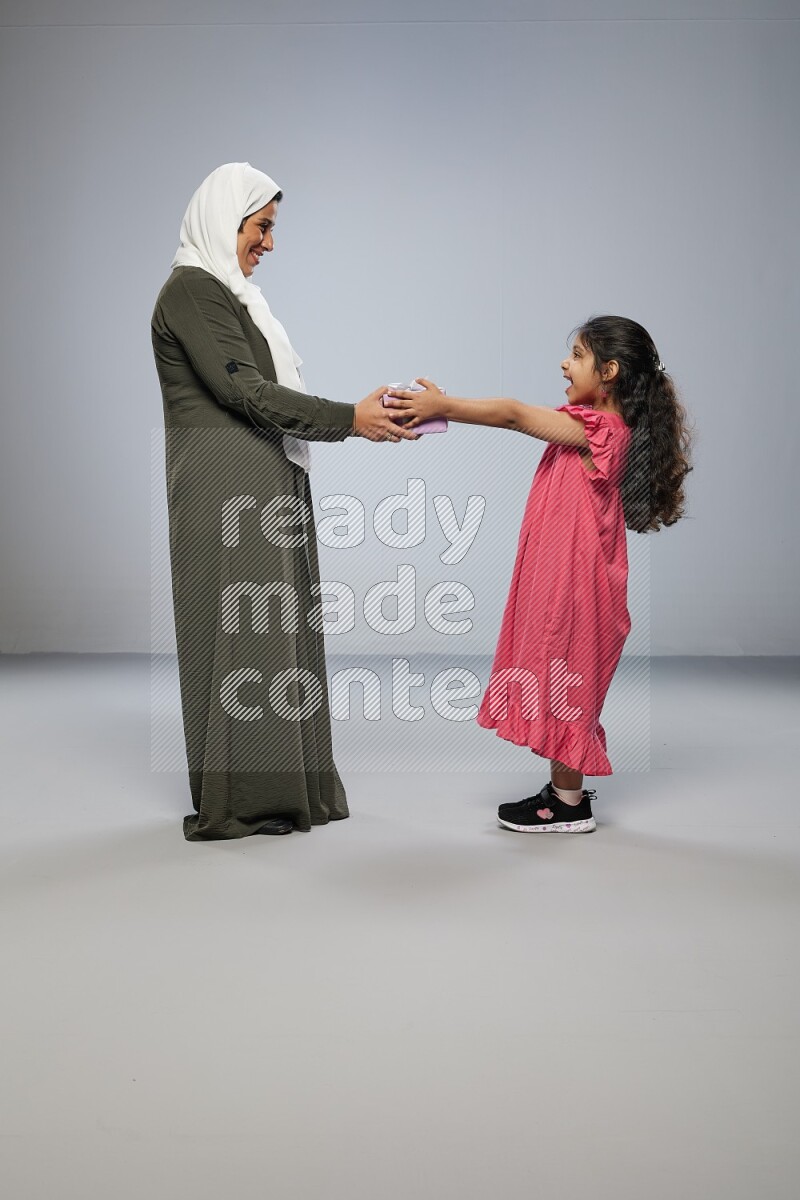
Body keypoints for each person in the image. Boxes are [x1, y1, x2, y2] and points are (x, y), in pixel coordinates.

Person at [151, 162, 415, 841]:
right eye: (261, 227)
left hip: (264, 477)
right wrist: (348, 419)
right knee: (235, 634)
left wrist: (351, 418)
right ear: (224, 220)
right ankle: (244, 800)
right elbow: (248, 393)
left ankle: (287, 792)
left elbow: (259, 394)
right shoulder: (193, 291)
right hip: (224, 485)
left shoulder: (228, 296)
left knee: (272, 633)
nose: (269, 243)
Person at [385, 315, 693, 833]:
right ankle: (563, 792)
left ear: (610, 370)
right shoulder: (592, 423)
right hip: (568, 577)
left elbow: (511, 415)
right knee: (558, 675)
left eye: (576, 355)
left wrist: (445, 407)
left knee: (565, 679)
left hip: (577, 586)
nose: (564, 364)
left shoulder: (601, 430)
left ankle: (569, 806)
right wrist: (446, 408)